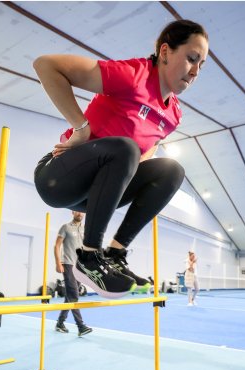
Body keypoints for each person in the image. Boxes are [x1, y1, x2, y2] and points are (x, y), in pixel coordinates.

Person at [33, 20, 209, 299]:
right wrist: (81, 128)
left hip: (93, 196)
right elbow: (45, 65)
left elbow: (146, 154)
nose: (195, 71)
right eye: (191, 59)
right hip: (57, 178)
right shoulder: (133, 75)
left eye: (201, 65)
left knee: (171, 170)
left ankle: (114, 253)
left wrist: (126, 175)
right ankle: (88, 259)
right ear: (165, 52)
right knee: (126, 149)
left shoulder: (174, 114)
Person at [54, 211, 93, 337]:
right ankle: (81, 326)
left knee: (69, 297)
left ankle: (60, 323)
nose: (80, 214)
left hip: (80, 266)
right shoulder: (65, 227)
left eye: (82, 212)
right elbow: (57, 245)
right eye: (77, 211)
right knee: (74, 294)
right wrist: (58, 263)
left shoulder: (85, 229)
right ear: (72, 212)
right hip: (68, 264)